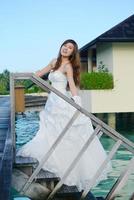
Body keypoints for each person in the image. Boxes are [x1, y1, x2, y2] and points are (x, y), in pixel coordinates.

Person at [17, 39, 111, 192]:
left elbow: (72, 86)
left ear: (73, 52)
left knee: (64, 133)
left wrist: (77, 103)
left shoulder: (68, 66)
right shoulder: (54, 62)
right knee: (50, 131)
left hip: (62, 102)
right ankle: (53, 158)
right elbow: (40, 73)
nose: (66, 49)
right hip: (51, 102)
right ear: (60, 47)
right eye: (65, 46)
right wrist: (25, 76)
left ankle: (66, 166)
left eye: (70, 48)